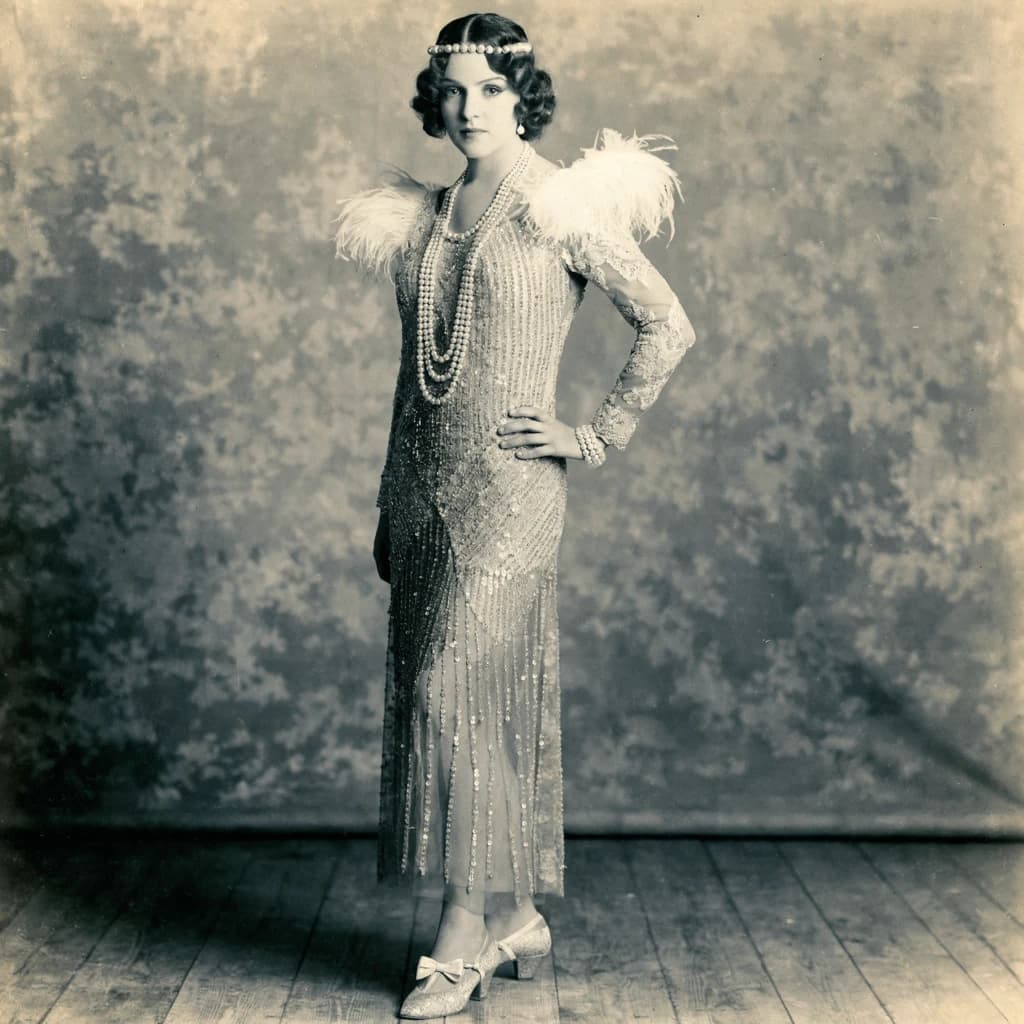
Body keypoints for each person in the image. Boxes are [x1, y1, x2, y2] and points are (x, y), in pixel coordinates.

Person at [333, 12, 697, 1019]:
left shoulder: (559, 205)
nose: (466, 108)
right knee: (453, 701)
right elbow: (415, 384)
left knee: (452, 693)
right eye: (451, 88)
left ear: (523, 95)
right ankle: (518, 911)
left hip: (511, 494)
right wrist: (385, 496)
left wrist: (598, 433)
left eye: (490, 89)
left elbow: (667, 323)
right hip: (419, 489)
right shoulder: (426, 213)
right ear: (431, 96)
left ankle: (463, 926)